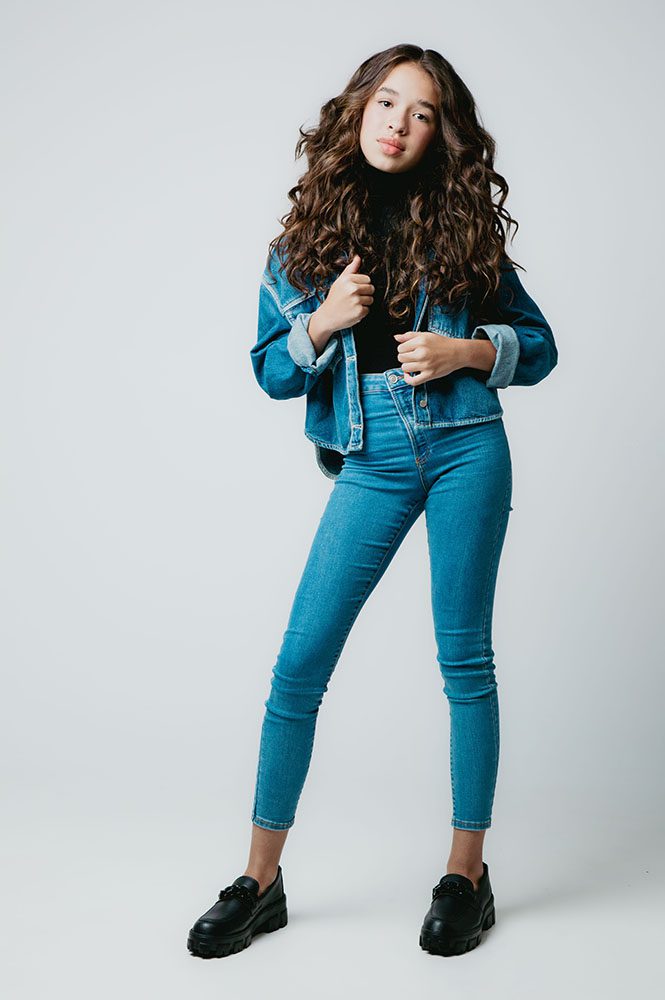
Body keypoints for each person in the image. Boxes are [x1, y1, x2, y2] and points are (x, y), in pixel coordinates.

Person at [187, 44, 557, 960]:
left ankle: (465, 877)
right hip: (373, 457)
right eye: (387, 102)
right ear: (357, 110)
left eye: (422, 113)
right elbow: (271, 371)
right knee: (299, 665)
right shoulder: (303, 243)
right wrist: (321, 321)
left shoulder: (463, 229)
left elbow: (540, 346)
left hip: (467, 444)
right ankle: (259, 881)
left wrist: (468, 351)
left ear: (439, 134)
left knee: (463, 661)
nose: (399, 123)